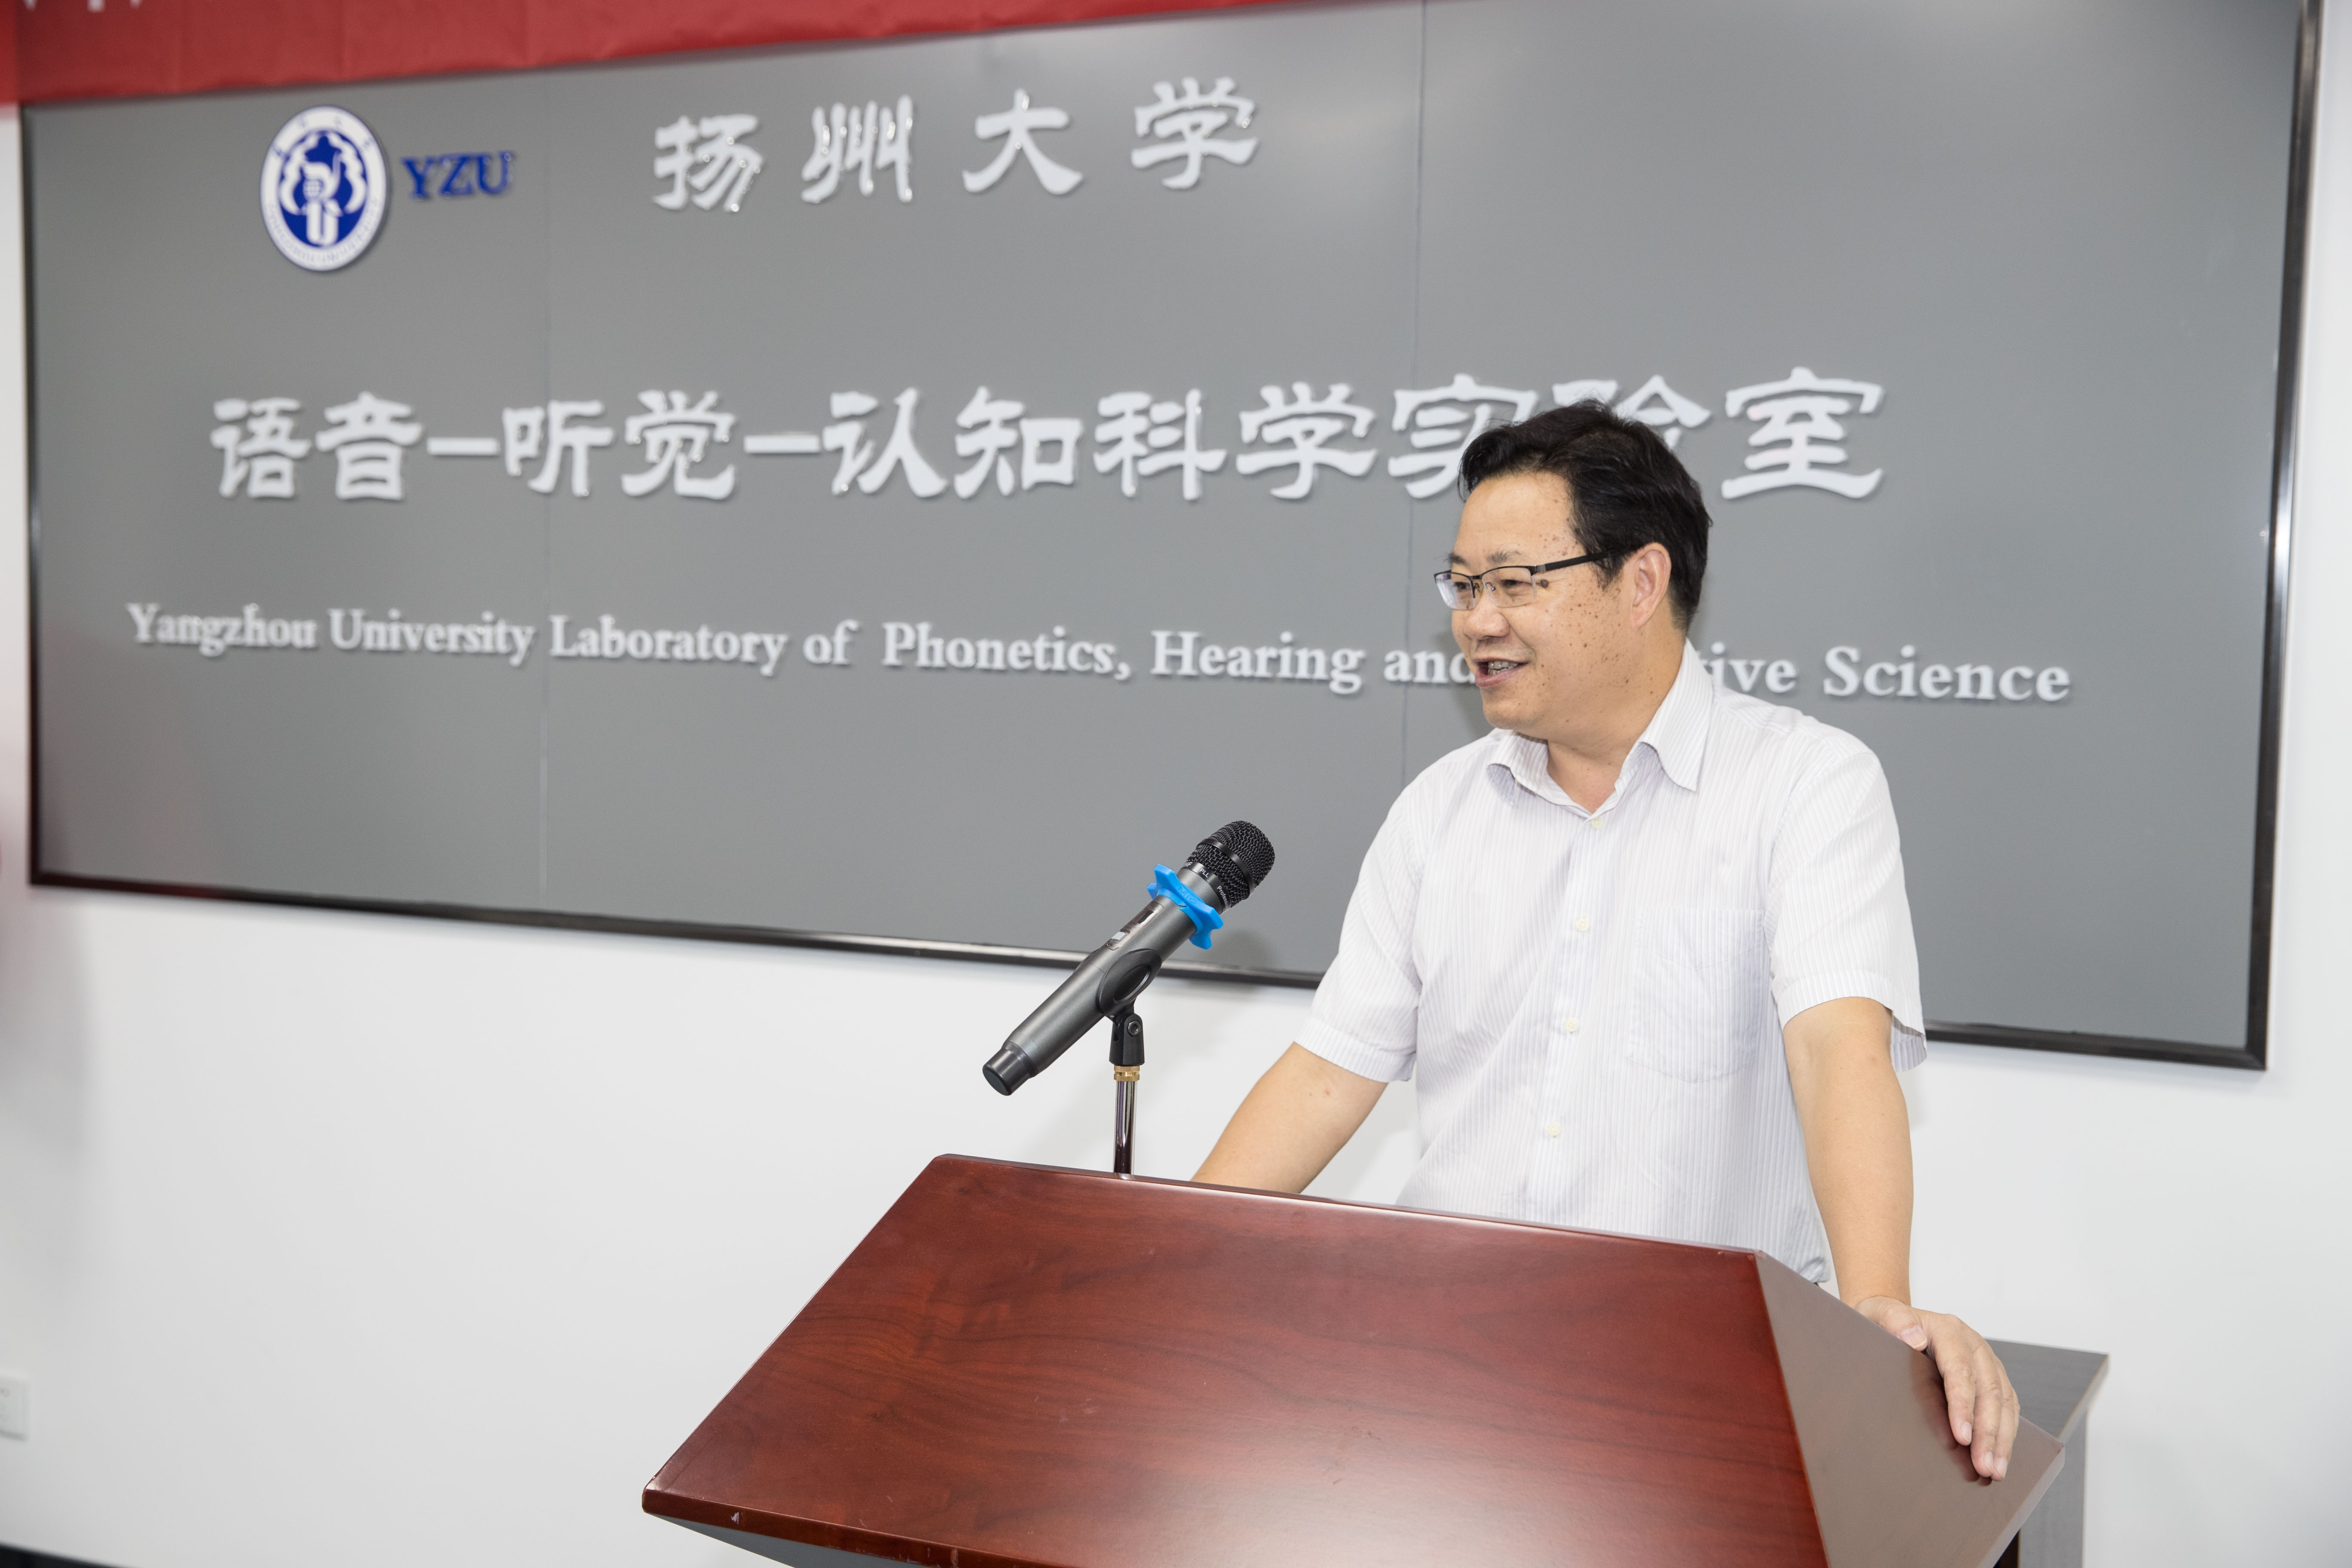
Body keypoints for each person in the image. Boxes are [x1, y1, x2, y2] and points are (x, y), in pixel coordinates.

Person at [1193, 401, 2021, 1480]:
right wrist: (1174, 1263)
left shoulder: (1806, 785)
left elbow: (1838, 1054)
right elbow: (1325, 1076)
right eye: (1463, 585)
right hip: (1439, 1375)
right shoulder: (1439, 809)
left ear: (1641, 583)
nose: (1477, 621)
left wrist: (1875, 1314)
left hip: (1702, 1384)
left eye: (1514, 583)